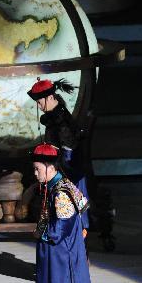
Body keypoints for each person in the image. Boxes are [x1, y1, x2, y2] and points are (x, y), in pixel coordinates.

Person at [31, 142, 93, 283]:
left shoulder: (61, 192)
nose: (35, 173)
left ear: (50, 167)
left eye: (37, 169)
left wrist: (40, 233)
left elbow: (59, 230)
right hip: (57, 254)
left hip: (61, 256)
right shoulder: (55, 187)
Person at [27, 77, 90, 233]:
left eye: (39, 101)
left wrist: (55, 172)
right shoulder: (55, 116)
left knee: (69, 221)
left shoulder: (61, 121)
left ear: (50, 97)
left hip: (69, 175)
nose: (38, 105)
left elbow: (69, 154)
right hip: (61, 172)